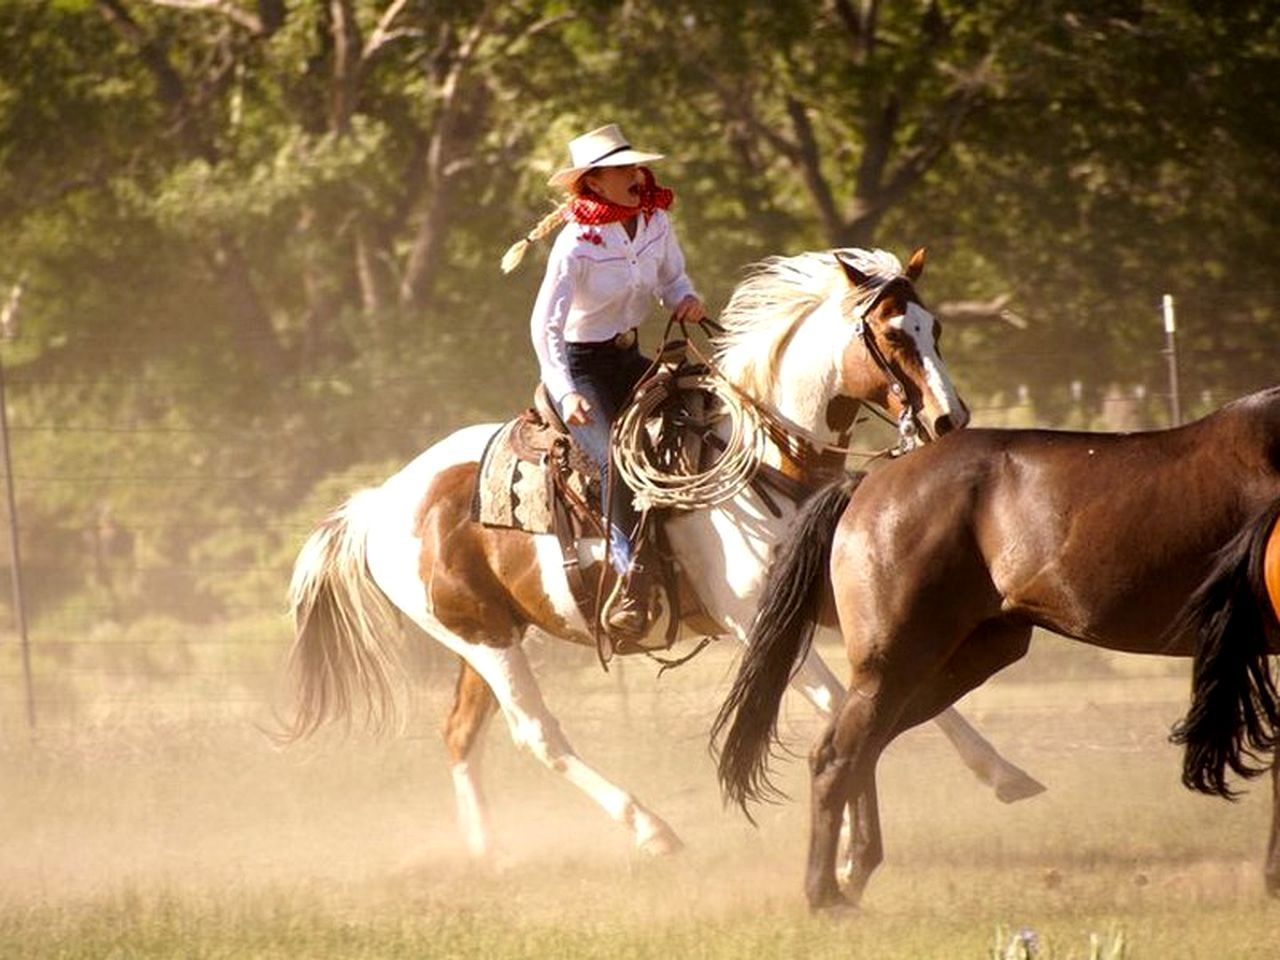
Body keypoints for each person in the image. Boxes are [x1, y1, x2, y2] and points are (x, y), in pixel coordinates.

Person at [502, 123, 705, 638]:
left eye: (634, 166)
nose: (635, 175)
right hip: (580, 366)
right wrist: (566, 391)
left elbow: (671, 278)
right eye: (621, 170)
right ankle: (631, 566)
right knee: (615, 457)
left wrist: (683, 298)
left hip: (627, 355)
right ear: (594, 183)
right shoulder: (576, 244)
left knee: (701, 408)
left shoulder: (655, 220)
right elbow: (544, 325)